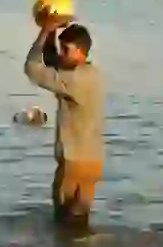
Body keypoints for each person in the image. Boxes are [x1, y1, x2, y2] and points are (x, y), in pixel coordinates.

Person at [24, 16, 104, 232]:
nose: (61, 54)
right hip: (93, 161)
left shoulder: (73, 80)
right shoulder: (91, 73)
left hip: (73, 162)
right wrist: (51, 32)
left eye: (66, 49)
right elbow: (52, 61)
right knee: (81, 224)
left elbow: (32, 68)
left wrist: (44, 31)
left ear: (80, 51)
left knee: (63, 223)